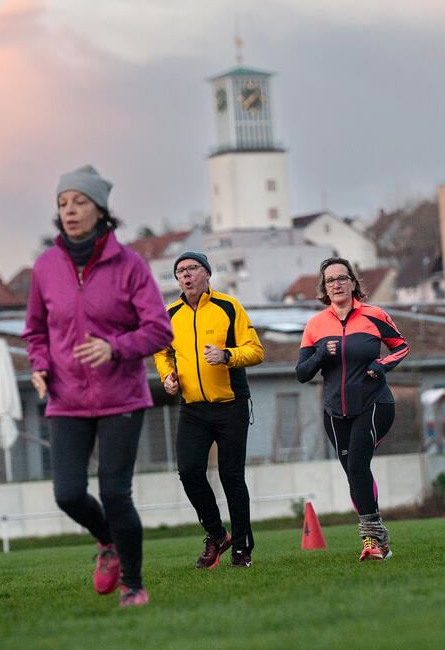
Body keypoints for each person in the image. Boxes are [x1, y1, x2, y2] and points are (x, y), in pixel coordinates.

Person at [23, 165, 172, 607]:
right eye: (63, 203)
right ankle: (107, 540)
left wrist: (115, 348)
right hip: (66, 397)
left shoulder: (131, 266)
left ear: (100, 210)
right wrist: (39, 365)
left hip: (121, 396)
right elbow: (34, 331)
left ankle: (133, 584)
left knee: (114, 491)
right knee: (67, 493)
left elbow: (159, 330)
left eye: (79, 202)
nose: (70, 210)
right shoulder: (46, 267)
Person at [154, 251, 264, 568]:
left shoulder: (228, 307)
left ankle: (242, 547)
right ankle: (217, 535)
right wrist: (167, 376)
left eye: (192, 268)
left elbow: (256, 351)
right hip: (192, 409)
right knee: (189, 472)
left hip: (231, 405)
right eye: (180, 271)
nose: (185, 275)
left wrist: (227, 355)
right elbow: (162, 353)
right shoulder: (170, 313)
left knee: (232, 477)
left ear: (207, 274)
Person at [296, 257, 410, 560]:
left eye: (342, 278)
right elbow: (302, 373)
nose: (336, 284)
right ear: (324, 287)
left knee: (359, 466)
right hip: (334, 411)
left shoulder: (374, 315)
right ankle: (379, 537)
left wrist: (381, 364)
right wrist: (321, 353)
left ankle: (372, 542)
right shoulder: (316, 325)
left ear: (352, 282)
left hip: (374, 403)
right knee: (354, 474)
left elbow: (401, 346)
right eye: (330, 280)